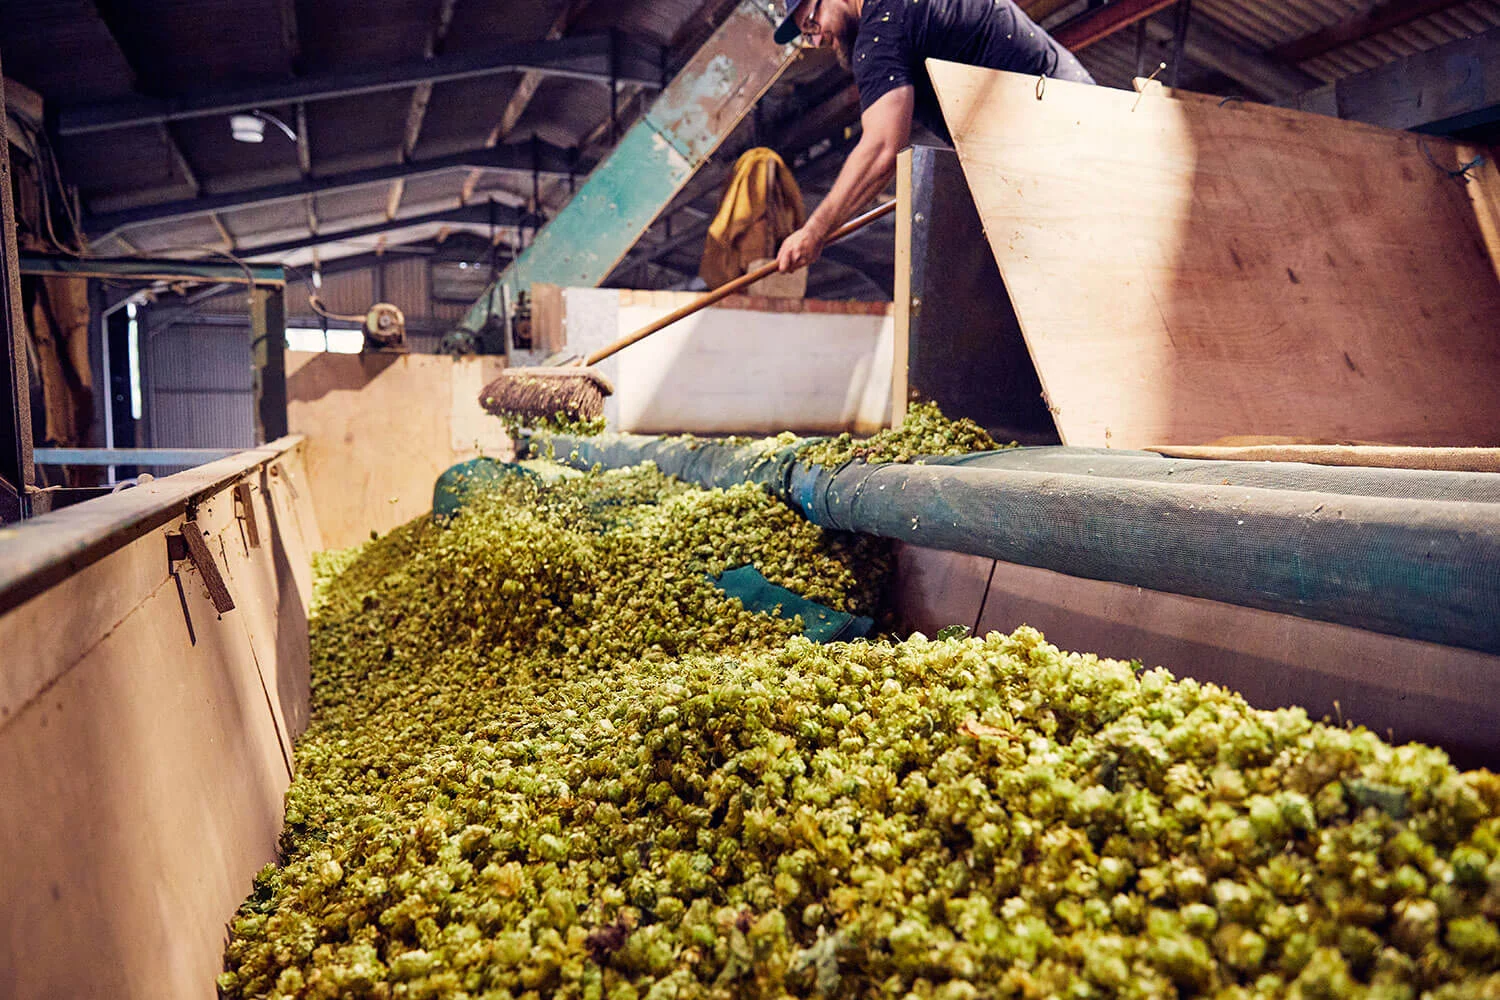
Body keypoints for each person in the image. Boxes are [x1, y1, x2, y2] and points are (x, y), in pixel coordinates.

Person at [773, 0, 1095, 273]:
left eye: (812, 24)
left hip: (1053, 138)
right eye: (806, 35)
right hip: (1079, 109)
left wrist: (814, 232)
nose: (815, 42)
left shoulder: (879, 31)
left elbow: (883, 149)